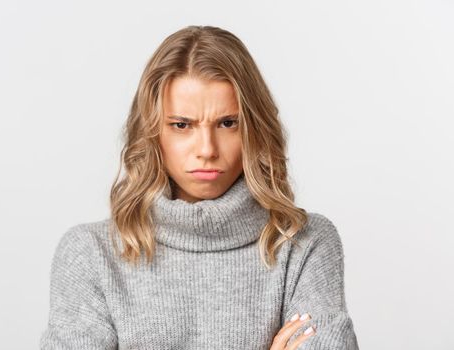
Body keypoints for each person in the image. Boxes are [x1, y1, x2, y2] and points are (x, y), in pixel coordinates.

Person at [39, 25, 359, 350]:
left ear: (255, 129)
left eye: (227, 123)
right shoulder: (90, 254)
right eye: (182, 125)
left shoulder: (304, 244)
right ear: (152, 133)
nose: (206, 149)